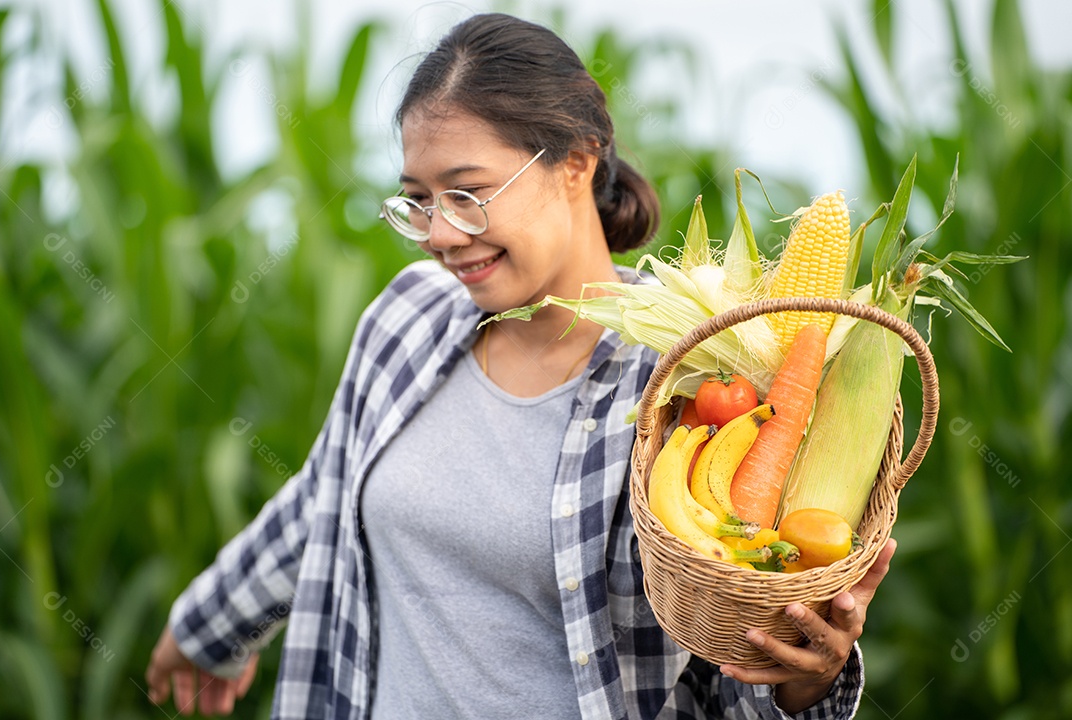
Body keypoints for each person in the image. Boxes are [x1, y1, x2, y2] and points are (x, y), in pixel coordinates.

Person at [146, 12, 895, 719]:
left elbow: (734, 659)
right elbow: (325, 497)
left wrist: (811, 683)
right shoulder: (408, 316)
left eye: (468, 195)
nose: (440, 234)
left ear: (576, 162)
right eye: (418, 201)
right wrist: (207, 628)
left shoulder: (687, 381)